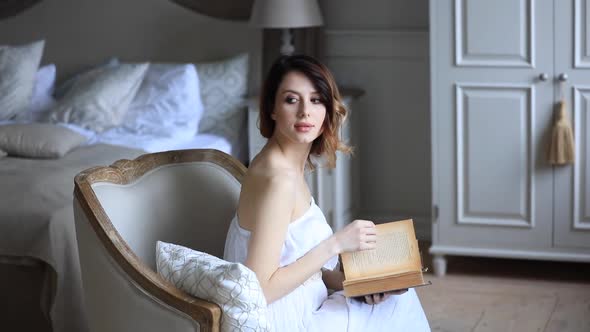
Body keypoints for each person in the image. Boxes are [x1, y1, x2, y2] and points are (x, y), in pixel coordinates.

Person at [224, 55, 430, 331]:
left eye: (316, 100)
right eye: (291, 100)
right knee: (398, 307)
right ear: (272, 108)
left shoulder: (282, 165)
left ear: (327, 108)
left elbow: (296, 266)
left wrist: (355, 284)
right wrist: (336, 244)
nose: (305, 112)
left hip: (302, 304)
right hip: (283, 321)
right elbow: (259, 289)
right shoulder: (279, 179)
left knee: (392, 297)